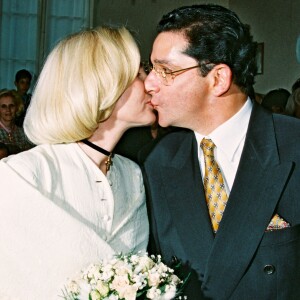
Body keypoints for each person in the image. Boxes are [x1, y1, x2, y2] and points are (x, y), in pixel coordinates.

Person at [141, 4, 300, 299]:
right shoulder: (157, 160)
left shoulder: (293, 146)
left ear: (218, 79)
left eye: (165, 71)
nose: (149, 84)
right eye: (152, 69)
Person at [0, 25, 156, 299]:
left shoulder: (132, 175)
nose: (152, 83)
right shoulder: (23, 175)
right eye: (140, 73)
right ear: (104, 85)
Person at [0, 89, 34, 154]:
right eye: (3, 106)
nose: (8, 110)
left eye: (11, 106)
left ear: (17, 107)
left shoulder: (23, 133)